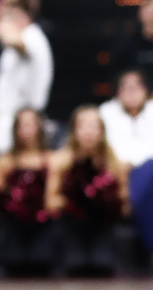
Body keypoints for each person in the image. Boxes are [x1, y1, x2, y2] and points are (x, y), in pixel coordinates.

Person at [47, 106, 130, 276]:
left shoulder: (115, 164)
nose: (89, 131)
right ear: (74, 130)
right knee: (75, 267)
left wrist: (106, 201)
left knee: (102, 266)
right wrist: (74, 202)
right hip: (72, 227)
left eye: (94, 126)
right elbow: (50, 202)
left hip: (103, 227)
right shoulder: (60, 161)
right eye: (83, 125)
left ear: (102, 131)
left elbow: (125, 205)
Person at [0, 108, 54, 276]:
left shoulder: (52, 159)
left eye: (31, 124)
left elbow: (55, 196)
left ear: (39, 127)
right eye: (22, 125)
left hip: (44, 223)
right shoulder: (3, 161)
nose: (27, 129)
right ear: (15, 129)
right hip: (13, 224)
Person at [0, 5, 54, 153]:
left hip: (23, 120)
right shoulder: (25, 38)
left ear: (20, 18)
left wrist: (4, 27)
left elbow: (15, 41)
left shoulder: (32, 36)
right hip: (11, 120)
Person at [98, 70, 153, 168]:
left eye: (136, 88)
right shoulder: (105, 112)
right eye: (126, 88)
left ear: (146, 90)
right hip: (114, 169)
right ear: (118, 91)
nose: (131, 93)